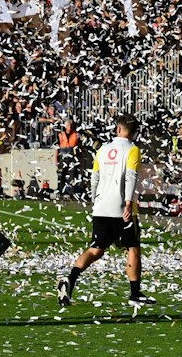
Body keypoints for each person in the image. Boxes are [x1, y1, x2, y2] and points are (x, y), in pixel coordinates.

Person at [59, 112, 154, 306]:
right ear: (133, 132)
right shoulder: (133, 150)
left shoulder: (103, 149)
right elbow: (131, 176)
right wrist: (128, 202)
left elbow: (94, 177)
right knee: (133, 247)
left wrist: (96, 200)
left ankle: (71, 278)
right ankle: (135, 293)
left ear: (118, 129)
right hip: (120, 208)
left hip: (101, 207)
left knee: (95, 249)